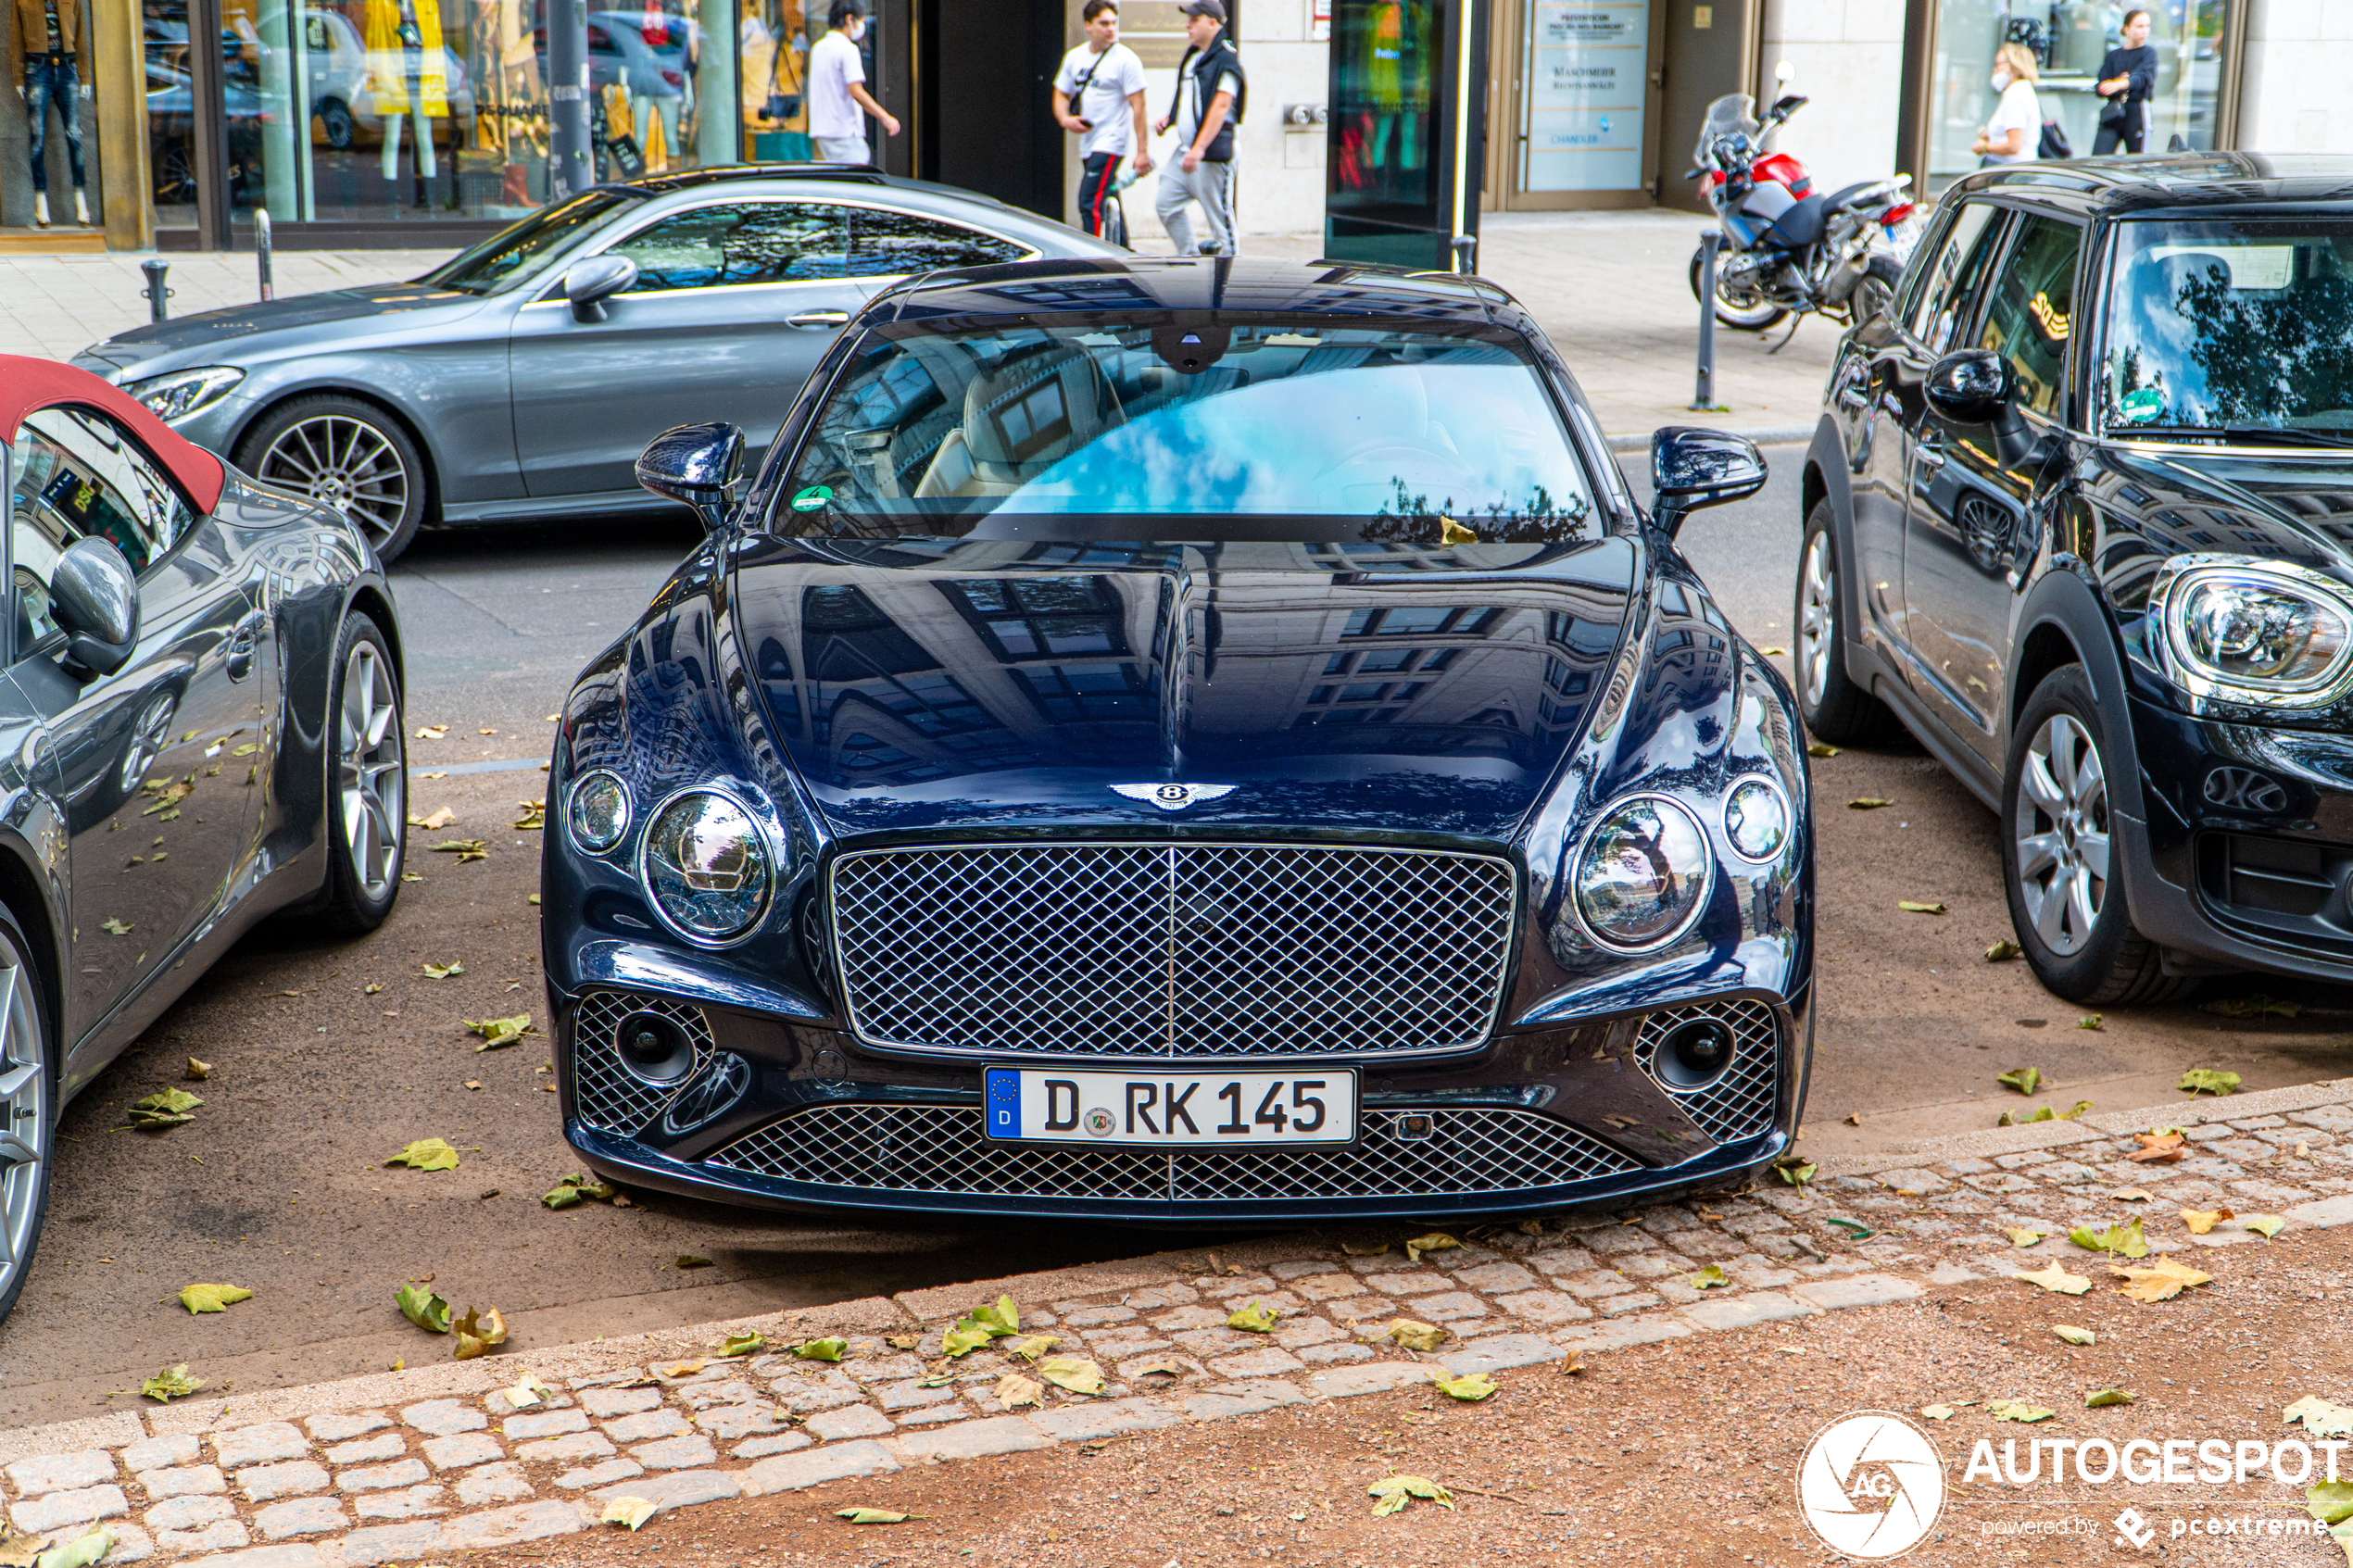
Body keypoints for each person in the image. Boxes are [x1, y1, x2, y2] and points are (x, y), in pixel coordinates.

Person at [1153, 0, 1245, 257]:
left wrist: (1199, 148)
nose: (1188, 25)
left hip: (1210, 154)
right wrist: (1170, 119)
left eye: (1194, 20)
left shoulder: (1226, 59)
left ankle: (1230, 275)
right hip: (1186, 151)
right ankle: (1190, 259)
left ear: (1212, 23)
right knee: (1165, 204)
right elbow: (1187, 95)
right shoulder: (1195, 56)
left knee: (1220, 220)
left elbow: (1221, 105)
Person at [1055, 0, 1151, 239]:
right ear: (1088, 26)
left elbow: (1138, 107)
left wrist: (1142, 152)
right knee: (1107, 196)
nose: (1111, 28)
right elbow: (1061, 93)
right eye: (1104, 23)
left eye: (1113, 23)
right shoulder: (1075, 57)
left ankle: (1096, 259)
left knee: (1089, 201)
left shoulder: (1126, 60)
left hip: (1110, 142)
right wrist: (1065, 119)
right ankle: (1124, 250)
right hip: (1088, 142)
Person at [808, 0, 897, 165]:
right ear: (850, 19)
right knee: (856, 180)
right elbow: (856, 91)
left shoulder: (818, 48)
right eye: (861, 20)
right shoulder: (848, 49)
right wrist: (885, 116)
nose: (862, 26)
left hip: (822, 133)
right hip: (845, 132)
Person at [2093, 8, 2157, 156]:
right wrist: (2115, 83)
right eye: (2139, 26)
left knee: (2137, 160)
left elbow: (2143, 77)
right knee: (2099, 157)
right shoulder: (2114, 56)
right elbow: (2101, 85)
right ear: (2126, 29)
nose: (2144, 31)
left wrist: (2120, 83)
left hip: (2136, 111)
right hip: (2114, 110)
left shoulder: (2149, 53)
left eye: (2147, 26)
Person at [1972, 42, 2041, 167]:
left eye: (1998, 64)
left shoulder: (2016, 96)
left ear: (2013, 66)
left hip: (2008, 168)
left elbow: (2014, 146)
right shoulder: (2021, 92)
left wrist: (1985, 147)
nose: (1994, 69)